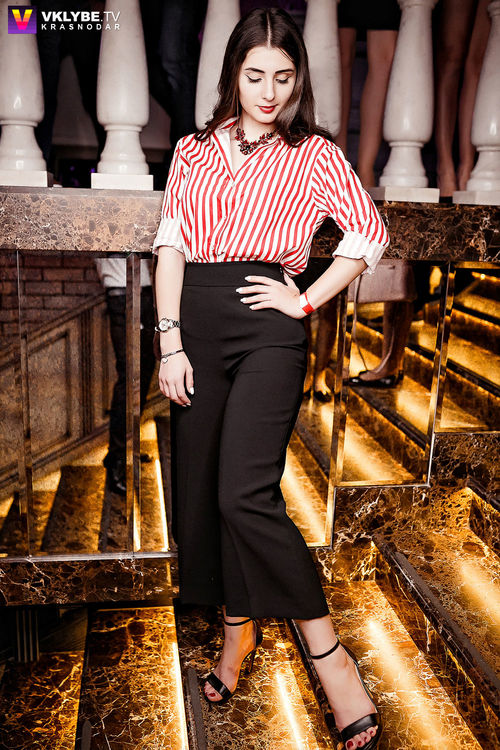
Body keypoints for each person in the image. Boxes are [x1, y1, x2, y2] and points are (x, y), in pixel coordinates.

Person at [153, 9, 388, 749]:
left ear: (297, 81)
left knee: (243, 493)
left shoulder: (313, 154)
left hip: (268, 330)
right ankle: (237, 633)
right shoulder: (193, 150)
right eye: (255, 75)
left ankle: (329, 657)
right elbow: (170, 247)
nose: (268, 92)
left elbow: (368, 233)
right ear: (234, 73)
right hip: (194, 328)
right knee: (203, 493)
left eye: (283, 78)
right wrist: (169, 343)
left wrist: (306, 299)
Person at [95, 258, 156, 495]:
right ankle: (116, 458)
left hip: (142, 292)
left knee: (143, 373)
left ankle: (125, 449)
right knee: (130, 377)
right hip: (123, 293)